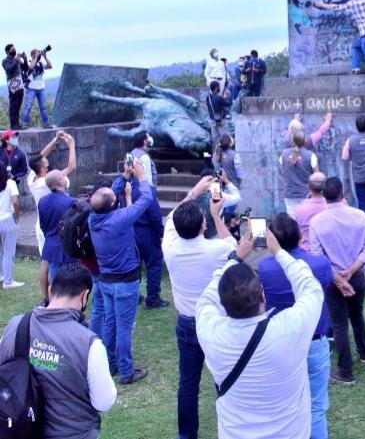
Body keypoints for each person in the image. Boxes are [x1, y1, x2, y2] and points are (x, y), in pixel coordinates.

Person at [196, 225, 324, 439]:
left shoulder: (211, 332)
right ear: (262, 297)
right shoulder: (289, 328)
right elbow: (310, 288)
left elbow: (207, 299)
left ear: (223, 305)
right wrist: (279, 252)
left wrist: (235, 257)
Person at [0, 264, 117, 438]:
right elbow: (104, 402)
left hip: (18, 430)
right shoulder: (89, 343)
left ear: (49, 290)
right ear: (84, 296)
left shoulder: (15, 325)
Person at [163, 185, 238, 439]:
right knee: (224, 379)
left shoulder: (170, 248)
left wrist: (193, 193)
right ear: (202, 227)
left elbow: (173, 218)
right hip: (215, 322)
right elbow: (233, 246)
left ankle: (186, 436)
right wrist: (216, 214)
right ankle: (229, 430)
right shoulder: (215, 250)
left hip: (187, 323)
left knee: (188, 383)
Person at [259, 212, 336, 439]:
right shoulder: (321, 264)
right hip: (314, 342)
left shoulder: (265, 267)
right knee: (316, 407)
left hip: (280, 345)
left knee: (283, 405)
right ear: (301, 235)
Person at [307, 176, 365, 385]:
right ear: (342, 193)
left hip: (333, 280)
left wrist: (338, 278)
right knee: (357, 314)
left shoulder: (317, 223)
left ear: (322, 196)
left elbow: (318, 257)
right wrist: (351, 271)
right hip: (355, 276)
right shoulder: (359, 216)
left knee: (339, 325)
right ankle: (364, 351)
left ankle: (345, 370)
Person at [87, 173, 155, 384]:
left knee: (110, 323)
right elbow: (146, 200)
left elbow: (107, 196)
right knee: (124, 327)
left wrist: (124, 176)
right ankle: (126, 371)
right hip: (125, 282)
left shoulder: (93, 218)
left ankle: (110, 364)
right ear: (113, 204)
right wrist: (142, 179)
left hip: (106, 280)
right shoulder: (119, 219)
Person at [111, 165, 168, 310]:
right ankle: (153, 298)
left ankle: (134, 296)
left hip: (130, 231)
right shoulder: (146, 189)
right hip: (147, 231)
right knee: (154, 264)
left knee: (134, 264)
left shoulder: (122, 187)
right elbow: (155, 214)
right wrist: (161, 233)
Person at [279, 112, 331, 214]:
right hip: (306, 195)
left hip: (289, 195)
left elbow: (282, 171)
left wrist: (295, 121)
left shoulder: (284, 152)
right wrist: (328, 121)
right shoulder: (310, 151)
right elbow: (320, 132)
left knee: (293, 223)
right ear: (304, 141)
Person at [38, 169, 77, 295]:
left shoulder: (42, 201)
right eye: (63, 176)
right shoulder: (70, 202)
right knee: (70, 285)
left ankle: (55, 307)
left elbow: (43, 225)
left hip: (50, 246)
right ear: (61, 183)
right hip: (67, 248)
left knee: (55, 283)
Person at [293, 172, 330, 250]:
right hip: (329, 251)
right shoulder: (332, 207)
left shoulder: (299, 210)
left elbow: (298, 234)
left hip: (308, 252)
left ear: (308, 187)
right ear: (326, 187)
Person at [20, 47, 52, 128]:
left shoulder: (40, 64)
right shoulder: (29, 62)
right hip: (31, 88)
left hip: (41, 88)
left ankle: (45, 123)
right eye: (36, 53)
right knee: (28, 106)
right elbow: (30, 67)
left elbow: (50, 66)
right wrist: (35, 57)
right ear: (32, 55)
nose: (38, 55)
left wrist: (45, 56)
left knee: (43, 107)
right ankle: (25, 123)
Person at [0, 166, 21, 288]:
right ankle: (8, 281)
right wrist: (17, 216)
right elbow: (15, 202)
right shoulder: (10, 183)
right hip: (7, 219)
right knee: (8, 251)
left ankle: (2, 275)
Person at [3, 44, 28, 128]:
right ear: (7, 52)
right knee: (13, 104)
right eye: (12, 49)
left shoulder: (17, 60)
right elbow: (9, 69)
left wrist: (25, 59)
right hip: (12, 82)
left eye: (14, 49)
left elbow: (26, 68)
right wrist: (17, 60)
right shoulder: (5, 61)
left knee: (18, 104)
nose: (14, 50)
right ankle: (13, 125)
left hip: (20, 82)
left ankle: (17, 124)